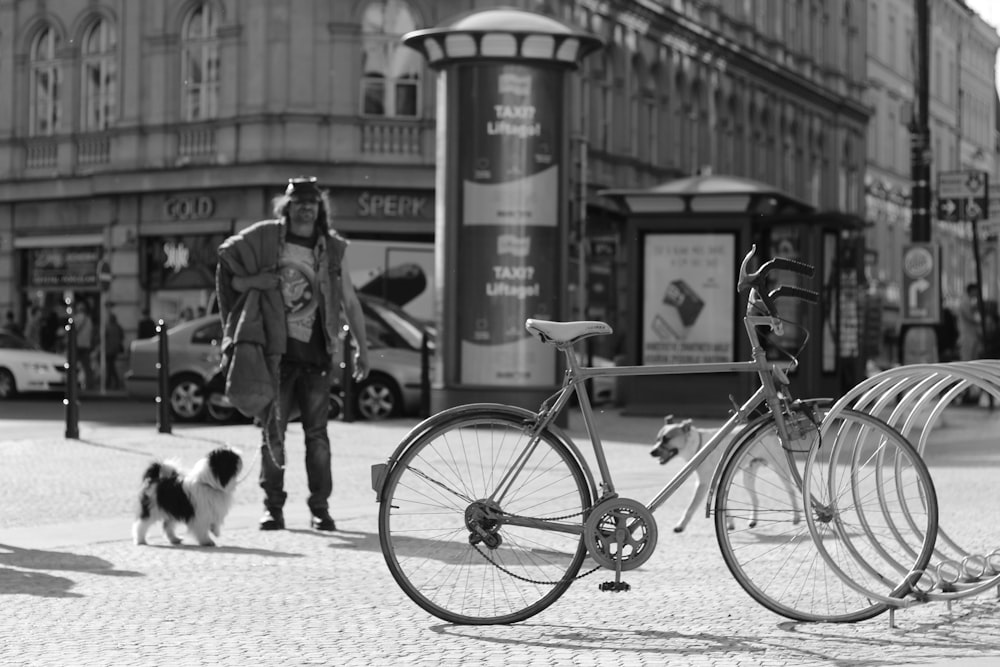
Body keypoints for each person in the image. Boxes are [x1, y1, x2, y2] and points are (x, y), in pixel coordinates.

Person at [216, 176, 370, 532]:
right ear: (287, 206)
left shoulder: (332, 248)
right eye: (298, 201)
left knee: (317, 436)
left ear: (320, 208)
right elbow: (228, 266)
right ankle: (273, 508)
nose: (305, 207)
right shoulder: (267, 238)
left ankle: (320, 508)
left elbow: (349, 300)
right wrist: (255, 282)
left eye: (312, 202)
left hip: (316, 354)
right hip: (275, 355)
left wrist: (363, 346)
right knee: (274, 431)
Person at [74, 301, 95, 390]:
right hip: (86, 345)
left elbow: (72, 331)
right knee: (87, 367)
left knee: (73, 366)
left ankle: (74, 384)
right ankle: (89, 385)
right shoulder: (89, 320)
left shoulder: (76, 318)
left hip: (77, 345)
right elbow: (91, 333)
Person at [104, 310, 125, 390]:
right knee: (111, 366)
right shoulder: (118, 327)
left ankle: (111, 382)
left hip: (109, 349)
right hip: (115, 349)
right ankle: (111, 382)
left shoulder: (108, 327)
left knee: (110, 366)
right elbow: (122, 337)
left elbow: (104, 338)